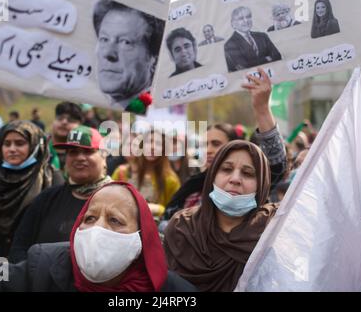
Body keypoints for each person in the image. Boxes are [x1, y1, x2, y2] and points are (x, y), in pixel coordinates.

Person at [0, 154, 197, 292]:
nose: (97, 229)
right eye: (89, 218)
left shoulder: (174, 292)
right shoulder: (41, 267)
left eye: (115, 220)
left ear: (141, 239)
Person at [162, 68, 287, 226]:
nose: (208, 150)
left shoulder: (251, 188)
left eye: (216, 144)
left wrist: (262, 109)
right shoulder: (191, 189)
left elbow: (277, 166)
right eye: (204, 144)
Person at [164, 140, 279, 291]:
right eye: (226, 169)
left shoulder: (273, 231)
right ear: (212, 176)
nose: (235, 179)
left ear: (261, 184)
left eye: (248, 173)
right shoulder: (182, 226)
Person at [9, 125, 112, 263]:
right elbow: (19, 246)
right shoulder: (46, 198)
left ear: (104, 157)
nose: (80, 158)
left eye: (88, 151)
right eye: (73, 152)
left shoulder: (117, 199)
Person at [0, 121, 63, 261]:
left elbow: (54, 229)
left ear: (35, 145)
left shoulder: (51, 178)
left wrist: (19, 268)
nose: (12, 149)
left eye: (20, 143)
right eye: (6, 143)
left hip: (30, 268)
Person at [93, 0, 165, 109]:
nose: (108, 53)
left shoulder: (157, 112)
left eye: (126, 42)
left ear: (154, 60)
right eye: (104, 39)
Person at [112, 131, 181, 220]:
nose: (153, 147)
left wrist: (159, 209)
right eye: (149, 142)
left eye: (158, 144)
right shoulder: (122, 172)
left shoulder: (171, 180)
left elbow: (174, 212)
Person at [224, 6, 282, 72]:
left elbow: (277, 56)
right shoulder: (229, 44)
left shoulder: (262, 36)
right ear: (233, 23)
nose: (246, 21)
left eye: (248, 17)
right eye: (241, 18)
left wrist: (254, 62)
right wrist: (267, 58)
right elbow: (244, 66)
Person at [48, 102, 83, 172]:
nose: (64, 122)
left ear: (80, 126)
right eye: (60, 118)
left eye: (71, 120)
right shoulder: (38, 148)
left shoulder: (84, 156)